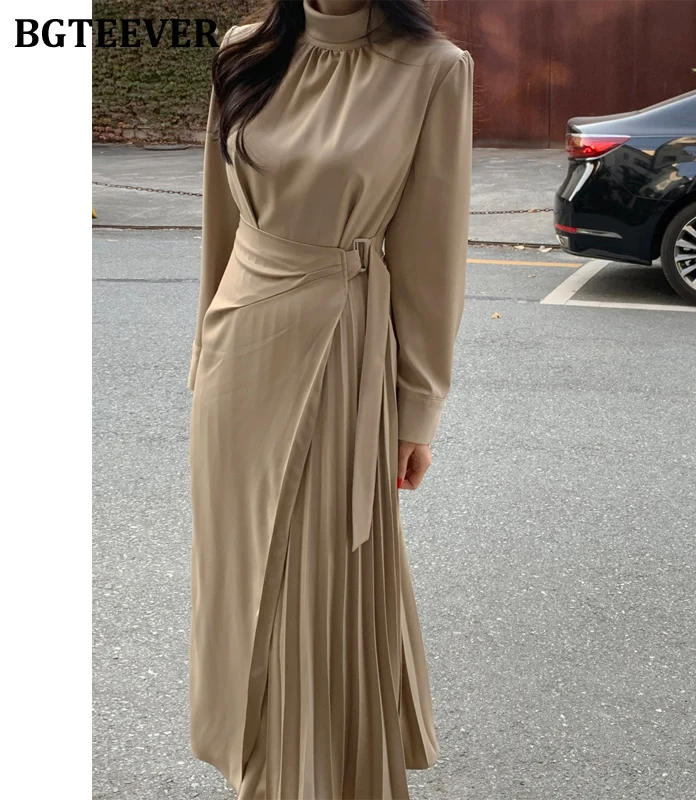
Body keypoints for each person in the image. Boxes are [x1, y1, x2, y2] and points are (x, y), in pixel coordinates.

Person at [186, 1, 473, 797]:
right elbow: (221, 217)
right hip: (236, 356)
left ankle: (314, 776)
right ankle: (256, 764)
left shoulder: (433, 70)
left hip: (338, 350)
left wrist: (417, 406)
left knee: (313, 586)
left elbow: (431, 256)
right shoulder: (243, 51)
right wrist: (205, 350)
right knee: (237, 575)